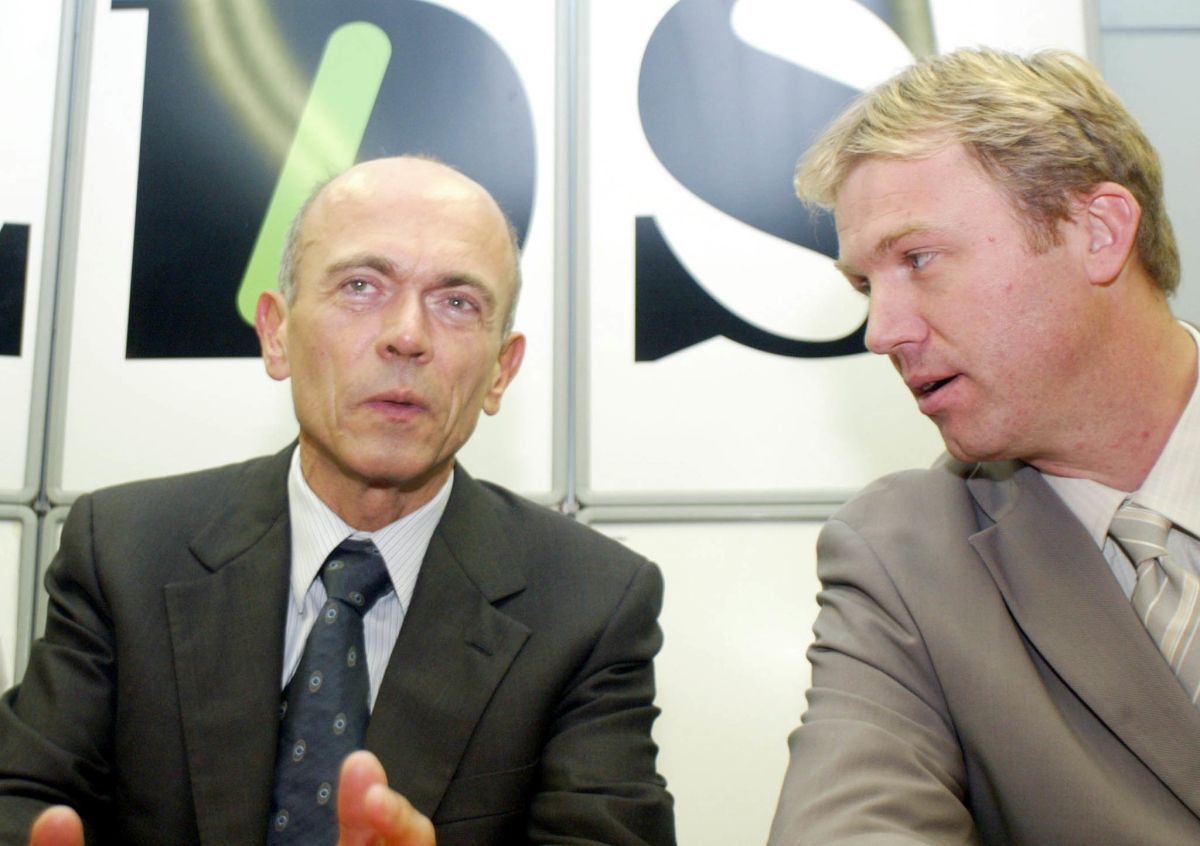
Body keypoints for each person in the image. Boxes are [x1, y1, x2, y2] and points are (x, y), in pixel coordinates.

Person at [0, 156, 676, 846]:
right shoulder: (125, 552)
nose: (407, 336)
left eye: (457, 303)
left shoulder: (591, 605)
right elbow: (23, 795)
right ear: (276, 333)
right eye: (360, 286)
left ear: (501, 371)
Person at [768, 48, 1200, 844]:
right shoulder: (907, 556)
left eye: (918, 259)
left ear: (1098, 232)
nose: (880, 332)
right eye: (866, 285)